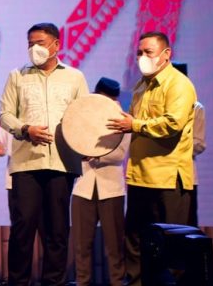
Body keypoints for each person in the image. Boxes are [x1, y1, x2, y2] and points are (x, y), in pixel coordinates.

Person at [0, 22, 88, 285]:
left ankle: (54, 282)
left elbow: (84, 115)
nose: (34, 49)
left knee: (57, 231)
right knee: (23, 228)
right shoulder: (17, 75)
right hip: (26, 163)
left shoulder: (75, 77)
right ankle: (18, 282)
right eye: (30, 44)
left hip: (62, 162)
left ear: (56, 44)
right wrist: (26, 129)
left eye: (39, 43)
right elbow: (5, 115)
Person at [107, 31, 197, 286]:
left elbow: (172, 124)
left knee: (172, 243)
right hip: (139, 175)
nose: (142, 58)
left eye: (148, 52)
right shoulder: (140, 86)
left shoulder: (178, 84)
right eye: (139, 53)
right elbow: (132, 123)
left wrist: (134, 124)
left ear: (166, 54)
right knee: (135, 239)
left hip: (167, 178)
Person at [72, 77, 129, 286]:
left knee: (114, 245)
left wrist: (94, 154)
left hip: (111, 188)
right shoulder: (84, 117)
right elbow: (73, 144)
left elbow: (119, 154)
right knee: (81, 245)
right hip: (83, 187)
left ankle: (117, 282)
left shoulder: (123, 119)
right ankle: (82, 282)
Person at [172, 62, 206, 226]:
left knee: (185, 225)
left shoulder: (196, 107)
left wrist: (172, 146)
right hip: (159, 175)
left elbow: (199, 144)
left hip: (185, 176)